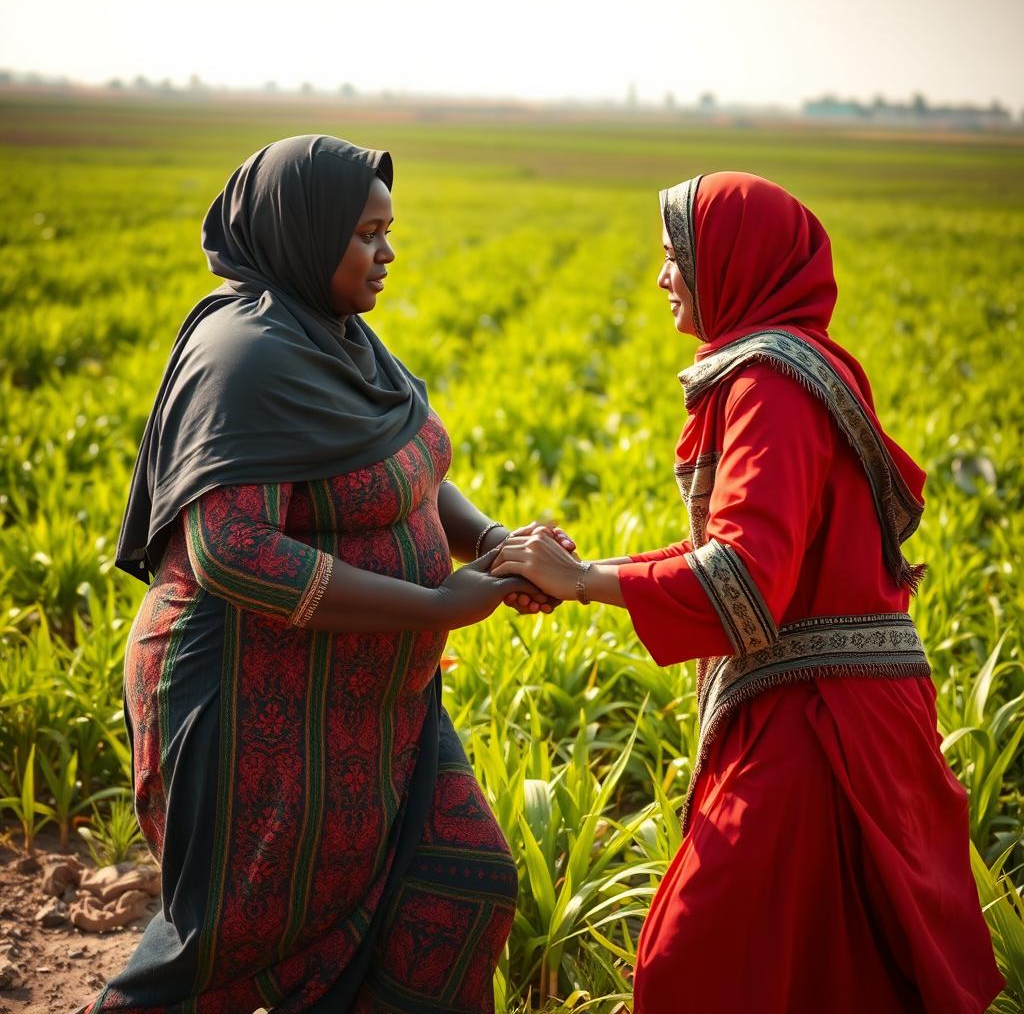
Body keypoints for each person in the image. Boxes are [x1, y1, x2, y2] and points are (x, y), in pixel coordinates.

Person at [491, 171, 1003, 1013]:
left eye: (672, 257)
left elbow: (743, 577)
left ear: (730, 262)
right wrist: (586, 576)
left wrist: (584, 581)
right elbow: (750, 553)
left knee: (698, 961)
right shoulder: (789, 367)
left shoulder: (770, 383)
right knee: (831, 970)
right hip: (831, 712)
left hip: (817, 733)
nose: (661, 278)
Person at [80, 135, 569, 1014]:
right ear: (305, 235)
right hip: (251, 704)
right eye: (366, 235)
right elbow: (234, 548)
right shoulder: (246, 360)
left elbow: (409, 469)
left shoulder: (342, 339)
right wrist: (433, 607)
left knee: (463, 884)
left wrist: (493, 542)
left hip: (366, 709)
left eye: (388, 230)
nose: (387, 254)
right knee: (234, 948)